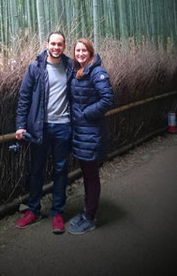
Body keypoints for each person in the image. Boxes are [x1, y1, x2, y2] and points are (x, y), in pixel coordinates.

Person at [15, 32, 73, 234]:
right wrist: (20, 125)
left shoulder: (71, 66)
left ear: (64, 46)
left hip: (64, 126)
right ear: (46, 44)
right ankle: (33, 210)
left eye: (60, 44)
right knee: (36, 170)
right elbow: (24, 97)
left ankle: (57, 213)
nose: (56, 47)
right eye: (53, 43)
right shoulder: (36, 67)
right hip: (40, 127)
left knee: (60, 170)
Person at [68, 38, 113, 235]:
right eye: (77, 51)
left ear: (90, 52)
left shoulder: (97, 72)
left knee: (91, 176)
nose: (80, 54)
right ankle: (88, 212)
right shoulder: (78, 71)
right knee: (87, 175)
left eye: (84, 51)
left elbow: (107, 99)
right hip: (81, 133)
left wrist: (86, 113)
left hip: (91, 133)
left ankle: (90, 218)